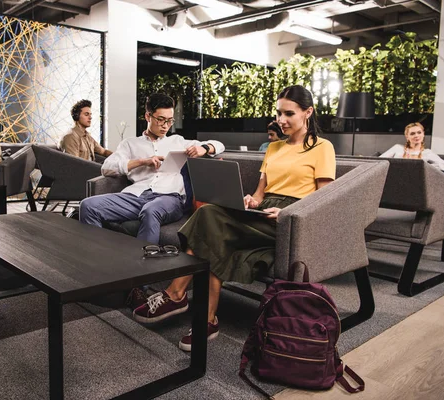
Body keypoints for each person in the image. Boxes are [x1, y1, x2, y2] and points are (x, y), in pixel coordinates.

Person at [132, 85, 336, 352]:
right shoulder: (274, 148)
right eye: (278, 113)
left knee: (210, 224)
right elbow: (260, 194)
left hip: (292, 220)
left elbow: (324, 200)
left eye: (289, 114)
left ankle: (177, 295)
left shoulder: (323, 148)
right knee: (211, 218)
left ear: (307, 112)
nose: (281, 120)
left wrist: (287, 213)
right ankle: (204, 317)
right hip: (263, 213)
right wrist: (250, 201)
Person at [79, 93, 225, 306]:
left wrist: (205, 148)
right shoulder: (130, 144)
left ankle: (138, 286)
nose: (166, 125)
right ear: (148, 116)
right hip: (136, 195)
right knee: (88, 206)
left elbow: (218, 144)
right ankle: (99, 271)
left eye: (169, 120)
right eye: (160, 120)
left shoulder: (178, 141)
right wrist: (142, 161)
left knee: (151, 211)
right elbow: (107, 168)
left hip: (169, 198)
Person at [379, 122, 444, 171]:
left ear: (423, 134)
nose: (416, 136)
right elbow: (378, 162)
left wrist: (426, 167)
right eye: (412, 133)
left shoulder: (427, 153)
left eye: (419, 133)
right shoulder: (397, 148)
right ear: (407, 136)